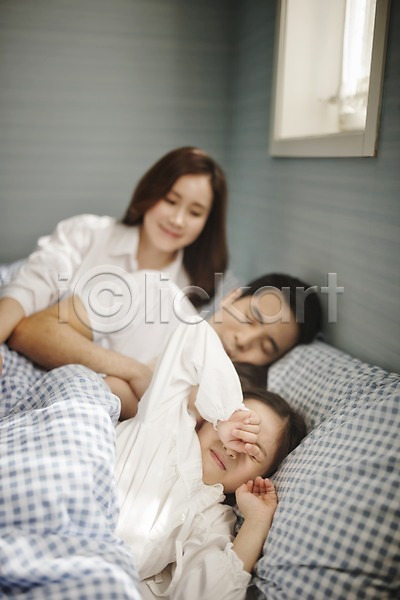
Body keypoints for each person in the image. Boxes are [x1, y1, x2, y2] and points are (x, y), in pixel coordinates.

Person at [114, 319, 307, 599]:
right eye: (240, 426)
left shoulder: (212, 518)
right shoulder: (167, 420)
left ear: (261, 475)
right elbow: (192, 333)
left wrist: (257, 522)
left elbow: (208, 593)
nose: (235, 448)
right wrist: (224, 411)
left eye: (254, 450)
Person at [0, 145, 229, 371]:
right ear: (151, 192)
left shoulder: (186, 291)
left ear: (208, 222)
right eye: (170, 201)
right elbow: (29, 289)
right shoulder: (87, 233)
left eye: (195, 212)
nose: (177, 220)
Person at [5, 272, 322, 417]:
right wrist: (135, 371)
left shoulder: (220, 398)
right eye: (251, 318)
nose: (244, 341)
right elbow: (31, 331)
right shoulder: (154, 296)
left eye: (265, 348)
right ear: (231, 297)